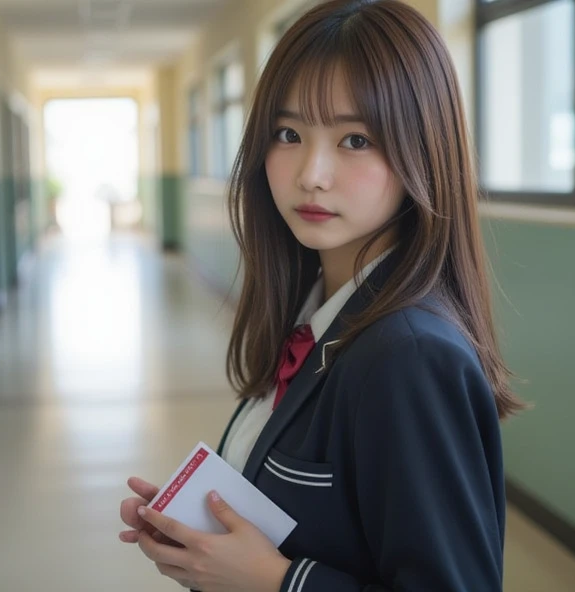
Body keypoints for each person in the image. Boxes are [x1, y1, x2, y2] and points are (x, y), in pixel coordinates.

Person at [119, 1, 525, 590]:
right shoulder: (318, 314)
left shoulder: (409, 355)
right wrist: (207, 540)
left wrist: (278, 581)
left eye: (356, 139)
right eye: (288, 134)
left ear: (424, 151)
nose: (311, 172)